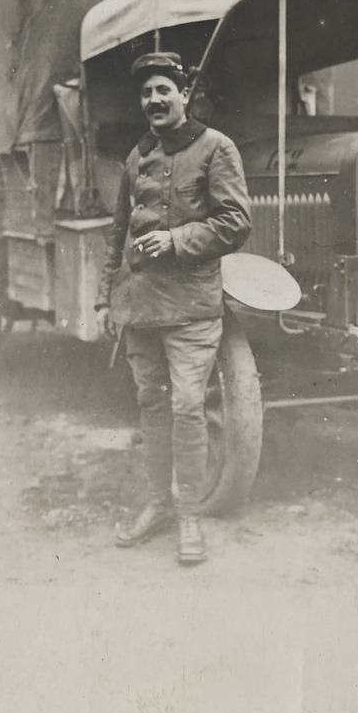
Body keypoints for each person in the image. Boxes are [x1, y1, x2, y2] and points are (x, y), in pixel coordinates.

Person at [95, 52, 252, 565]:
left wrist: (177, 238)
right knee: (153, 407)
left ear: (185, 95)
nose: (154, 100)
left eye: (164, 89)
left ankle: (188, 516)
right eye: (146, 93)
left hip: (191, 309)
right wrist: (103, 297)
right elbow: (117, 230)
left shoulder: (215, 148)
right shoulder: (137, 157)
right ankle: (159, 505)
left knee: (188, 409)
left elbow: (235, 222)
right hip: (140, 310)